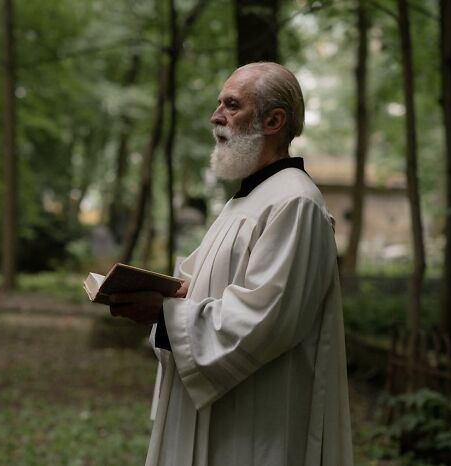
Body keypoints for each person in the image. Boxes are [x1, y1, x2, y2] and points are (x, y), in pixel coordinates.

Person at [109, 62, 353, 466]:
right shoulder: (244, 201)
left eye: (232, 105)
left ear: (274, 120)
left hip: (256, 420)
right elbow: (202, 284)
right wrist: (171, 293)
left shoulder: (295, 202)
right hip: (219, 408)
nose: (215, 116)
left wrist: (167, 314)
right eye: (218, 103)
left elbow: (268, 317)